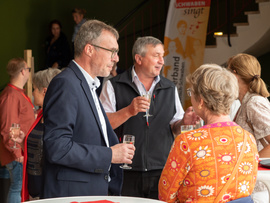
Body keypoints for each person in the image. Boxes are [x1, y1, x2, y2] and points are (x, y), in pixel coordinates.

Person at [42, 19, 135, 198]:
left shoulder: (87, 84)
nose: (116, 58)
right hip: (73, 195)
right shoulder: (66, 84)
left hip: (90, 191)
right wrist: (109, 155)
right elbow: (57, 147)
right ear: (89, 49)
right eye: (112, 51)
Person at [100, 36, 199, 199]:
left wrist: (184, 122)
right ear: (139, 59)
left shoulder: (169, 87)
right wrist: (128, 111)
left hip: (162, 170)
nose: (162, 61)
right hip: (125, 171)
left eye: (162, 56)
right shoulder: (113, 85)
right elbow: (103, 126)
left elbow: (175, 126)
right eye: (156, 56)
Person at [159, 64, 258, 202]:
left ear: (200, 101)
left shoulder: (187, 142)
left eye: (191, 93)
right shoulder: (249, 139)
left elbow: (166, 194)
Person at [11, 68, 61, 201]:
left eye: (34, 89)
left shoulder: (58, 119)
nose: (32, 93)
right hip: (34, 190)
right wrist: (23, 141)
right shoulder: (40, 115)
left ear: (44, 91)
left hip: (49, 192)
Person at [0, 58, 36, 203]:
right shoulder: (11, 96)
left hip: (21, 151)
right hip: (17, 153)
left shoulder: (16, 93)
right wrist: (16, 153)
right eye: (28, 69)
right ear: (23, 71)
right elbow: (8, 127)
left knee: (19, 188)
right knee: (17, 188)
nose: (28, 72)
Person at [227, 53, 270, 157]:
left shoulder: (254, 103)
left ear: (234, 74)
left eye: (227, 73)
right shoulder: (246, 102)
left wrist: (249, 164)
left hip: (255, 171)